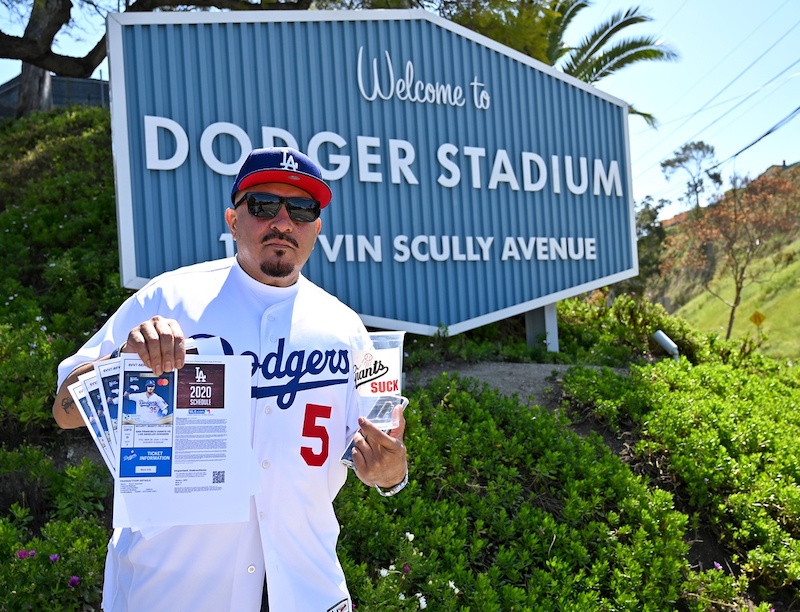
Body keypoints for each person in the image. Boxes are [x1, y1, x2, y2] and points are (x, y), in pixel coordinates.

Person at [52, 147, 409, 612]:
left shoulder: (346, 329)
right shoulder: (170, 298)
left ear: (316, 229)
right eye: (263, 206)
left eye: (302, 209)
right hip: (170, 591)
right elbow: (64, 410)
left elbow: (382, 456)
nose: (283, 222)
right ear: (233, 219)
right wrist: (124, 360)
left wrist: (391, 474)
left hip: (306, 589)